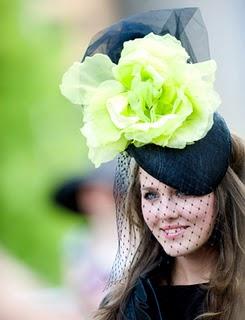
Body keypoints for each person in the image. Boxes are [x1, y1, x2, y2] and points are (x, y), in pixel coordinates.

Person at [60, 8, 245, 320]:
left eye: (184, 191)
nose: (165, 213)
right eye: (151, 195)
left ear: (222, 193)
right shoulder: (129, 307)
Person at [53, 161, 117, 318]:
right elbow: (73, 290)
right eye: (88, 193)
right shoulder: (77, 242)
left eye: (102, 194)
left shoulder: (141, 241)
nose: (92, 200)